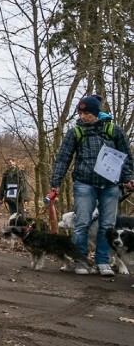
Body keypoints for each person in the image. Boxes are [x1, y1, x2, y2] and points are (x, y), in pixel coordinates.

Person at [50, 94, 134, 276]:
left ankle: (102, 261)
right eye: (80, 113)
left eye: (86, 113)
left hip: (111, 185)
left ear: (96, 112)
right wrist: (56, 182)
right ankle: (81, 260)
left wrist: (128, 177)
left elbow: (126, 156)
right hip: (84, 184)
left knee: (107, 225)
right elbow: (63, 158)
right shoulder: (76, 132)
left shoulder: (114, 131)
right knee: (81, 223)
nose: (83, 117)